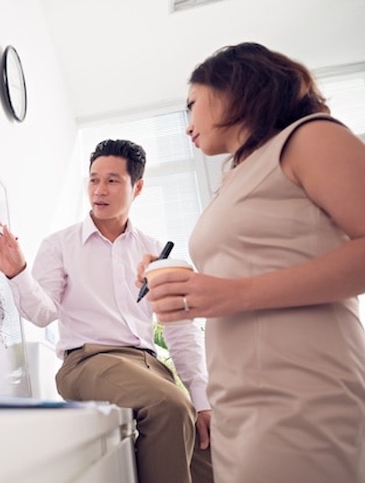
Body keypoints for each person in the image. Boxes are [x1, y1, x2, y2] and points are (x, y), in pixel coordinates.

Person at [141, 42, 365, 483]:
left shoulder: (310, 137)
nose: (187, 125)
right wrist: (185, 282)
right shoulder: (240, 174)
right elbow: (261, 261)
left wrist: (232, 293)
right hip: (241, 398)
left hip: (300, 389)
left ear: (233, 87)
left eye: (191, 105)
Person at [0, 139, 214, 483]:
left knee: (207, 445)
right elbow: (42, 314)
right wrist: (18, 272)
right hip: (88, 362)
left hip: (149, 367)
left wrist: (202, 400)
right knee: (169, 406)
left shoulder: (156, 251)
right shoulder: (60, 245)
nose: (99, 190)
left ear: (138, 187)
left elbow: (179, 327)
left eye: (113, 180)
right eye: (93, 179)